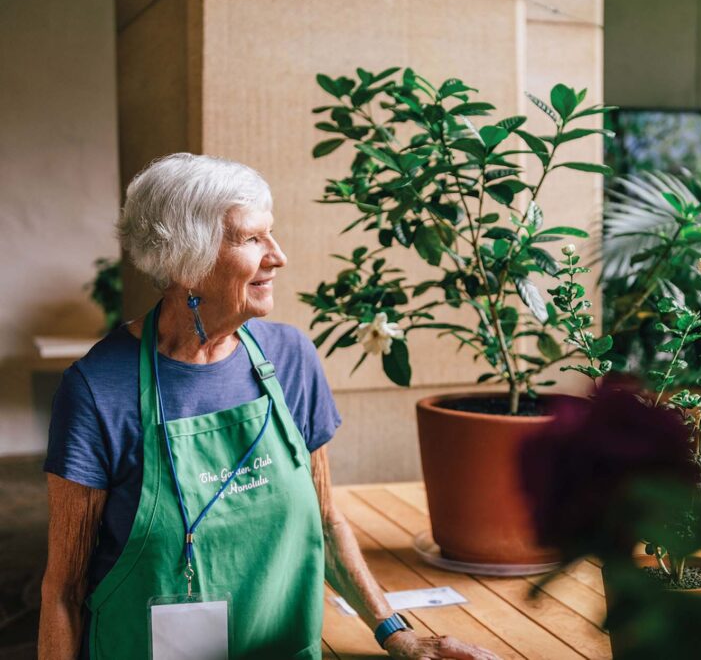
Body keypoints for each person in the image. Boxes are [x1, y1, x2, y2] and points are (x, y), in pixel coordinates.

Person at [39, 153, 499, 660]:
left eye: (271, 234)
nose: (277, 256)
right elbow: (64, 589)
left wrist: (397, 632)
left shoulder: (290, 357)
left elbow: (325, 520)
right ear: (184, 261)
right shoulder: (97, 390)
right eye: (252, 239)